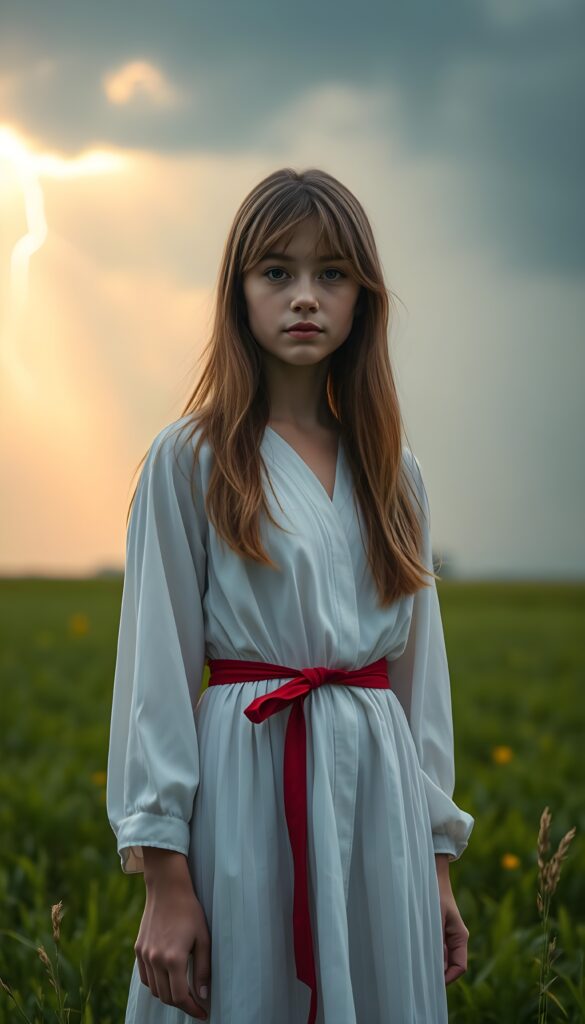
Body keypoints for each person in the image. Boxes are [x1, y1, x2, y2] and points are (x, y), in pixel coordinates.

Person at [106, 166, 475, 1024]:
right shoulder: (190, 458)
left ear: (362, 299)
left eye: (331, 274)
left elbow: (420, 690)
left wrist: (435, 870)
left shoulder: (395, 473)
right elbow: (154, 671)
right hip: (246, 782)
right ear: (238, 293)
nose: (304, 296)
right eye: (276, 272)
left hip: (376, 797)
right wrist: (166, 882)